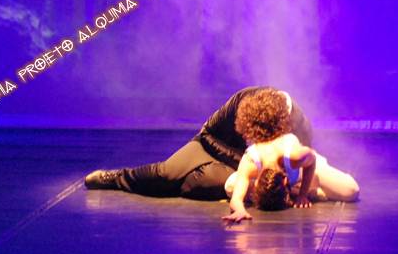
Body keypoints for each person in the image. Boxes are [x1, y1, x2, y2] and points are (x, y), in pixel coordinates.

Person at [84, 86, 313, 201]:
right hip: (210, 146)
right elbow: (206, 136)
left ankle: (183, 185)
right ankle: (116, 178)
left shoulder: (299, 128)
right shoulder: (243, 103)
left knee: (202, 183)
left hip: (245, 166)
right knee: (166, 173)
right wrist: (245, 161)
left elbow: (304, 165)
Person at [222, 95, 359, 224]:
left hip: (305, 169)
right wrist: (239, 210)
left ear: (285, 180)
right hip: (285, 181)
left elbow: (311, 159)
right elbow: (236, 199)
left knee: (350, 190)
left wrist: (303, 195)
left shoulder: (293, 156)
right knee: (231, 186)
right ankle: (297, 191)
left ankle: (302, 190)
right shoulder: (250, 161)